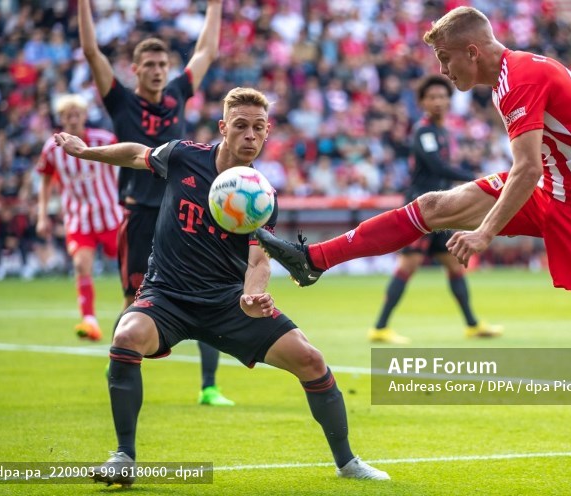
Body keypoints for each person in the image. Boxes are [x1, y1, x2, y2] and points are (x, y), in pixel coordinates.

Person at [256, 7, 571, 447]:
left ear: (473, 52)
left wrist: (485, 232)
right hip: (551, 186)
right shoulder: (508, 78)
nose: (443, 70)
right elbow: (537, 165)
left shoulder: (519, 80)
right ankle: (314, 260)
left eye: (445, 58)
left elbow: (527, 168)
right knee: (433, 206)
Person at [54, 87, 389, 485]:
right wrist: (84, 151)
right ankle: (124, 456)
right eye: (241, 126)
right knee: (126, 336)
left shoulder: (262, 194)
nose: (250, 135)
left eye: (258, 128)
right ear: (223, 128)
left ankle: (348, 463)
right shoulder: (182, 155)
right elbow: (134, 154)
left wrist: (252, 295)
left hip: (227, 303)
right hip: (167, 296)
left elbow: (259, 259)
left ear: (267, 132)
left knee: (311, 360)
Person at [78, 0, 232, 405]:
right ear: (135, 69)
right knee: (134, 300)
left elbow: (206, 51)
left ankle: (209, 387)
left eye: (163, 64)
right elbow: (92, 52)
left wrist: (215, 6)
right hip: (140, 215)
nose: (158, 70)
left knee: (207, 291)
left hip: (182, 211)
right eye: (149, 64)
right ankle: (120, 363)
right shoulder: (121, 101)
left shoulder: (178, 93)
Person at [369, 75, 501, 344]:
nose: (438, 101)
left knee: (454, 265)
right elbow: (437, 167)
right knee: (408, 265)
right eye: (432, 97)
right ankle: (380, 328)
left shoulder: (443, 132)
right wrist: (474, 178)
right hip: (422, 209)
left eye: (442, 96)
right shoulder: (424, 131)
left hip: (441, 209)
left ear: (449, 101)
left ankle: (472, 325)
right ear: (422, 102)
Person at [36, 95, 122, 340]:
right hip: (78, 219)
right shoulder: (51, 148)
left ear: (85, 116)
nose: (73, 119)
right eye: (68, 115)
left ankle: (147, 309)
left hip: (111, 215)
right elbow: (45, 182)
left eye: (77, 114)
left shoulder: (103, 140)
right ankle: (89, 321)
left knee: (132, 265)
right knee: (81, 265)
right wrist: (42, 215)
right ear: (61, 119)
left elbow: (126, 163)